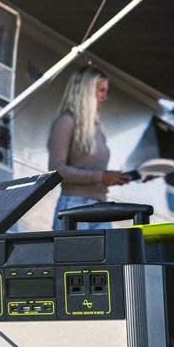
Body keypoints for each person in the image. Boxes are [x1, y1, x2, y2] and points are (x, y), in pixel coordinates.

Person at [48, 66, 130, 230]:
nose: (105, 97)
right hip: (74, 205)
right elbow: (56, 170)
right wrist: (100, 177)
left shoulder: (96, 128)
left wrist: (113, 178)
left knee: (109, 255)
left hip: (101, 206)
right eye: (101, 90)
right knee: (75, 255)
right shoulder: (66, 122)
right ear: (85, 92)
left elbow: (98, 173)